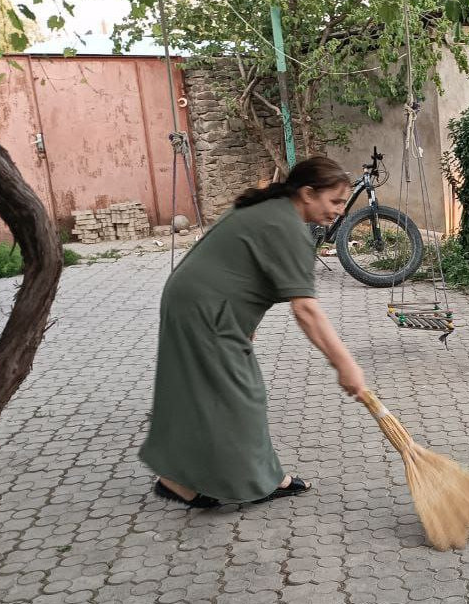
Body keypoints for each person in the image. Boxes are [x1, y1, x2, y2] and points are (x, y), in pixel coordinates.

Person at [141, 156, 368, 508]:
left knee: (208, 392)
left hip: (200, 302)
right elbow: (305, 309)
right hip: (206, 309)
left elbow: (246, 264)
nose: (340, 210)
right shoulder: (287, 226)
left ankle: (181, 479)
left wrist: (250, 325)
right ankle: (202, 480)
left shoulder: (275, 208)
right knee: (241, 396)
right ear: (308, 194)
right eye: (335, 201)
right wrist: (346, 365)